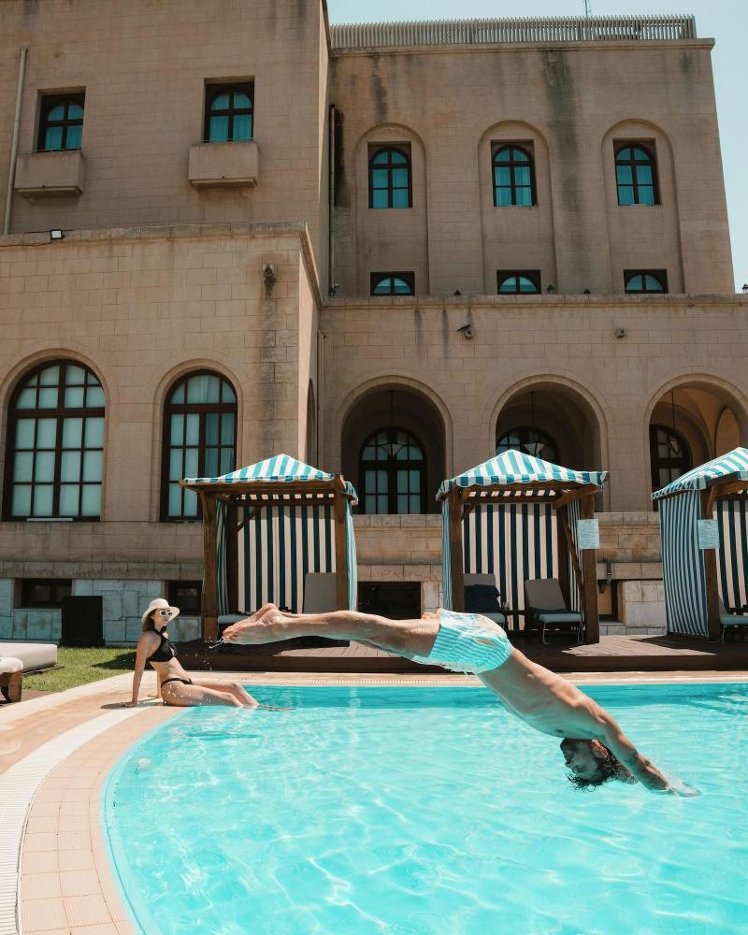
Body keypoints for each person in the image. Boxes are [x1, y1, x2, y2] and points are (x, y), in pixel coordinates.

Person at [223, 604, 696, 794]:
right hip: (486, 651)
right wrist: (671, 791)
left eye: (574, 770)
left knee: (384, 640)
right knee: (385, 633)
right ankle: (282, 624)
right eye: (583, 767)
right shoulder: (596, 724)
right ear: (601, 753)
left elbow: (626, 769)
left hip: (479, 656)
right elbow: (639, 763)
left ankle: (284, 620)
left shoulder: (564, 728)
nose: (571, 763)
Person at [127, 598, 262, 708]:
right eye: (163, 612)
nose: (167, 615)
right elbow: (139, 670)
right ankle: (253, 720)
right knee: (229, 698)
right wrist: (134, 700)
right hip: (173, 687)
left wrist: (157, 694)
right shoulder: (146, 638)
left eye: (168, 613)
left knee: (234, 687)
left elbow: (160, 664)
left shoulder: (164, 635)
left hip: (187, 682)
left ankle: (262, 711)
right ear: (152, 615)